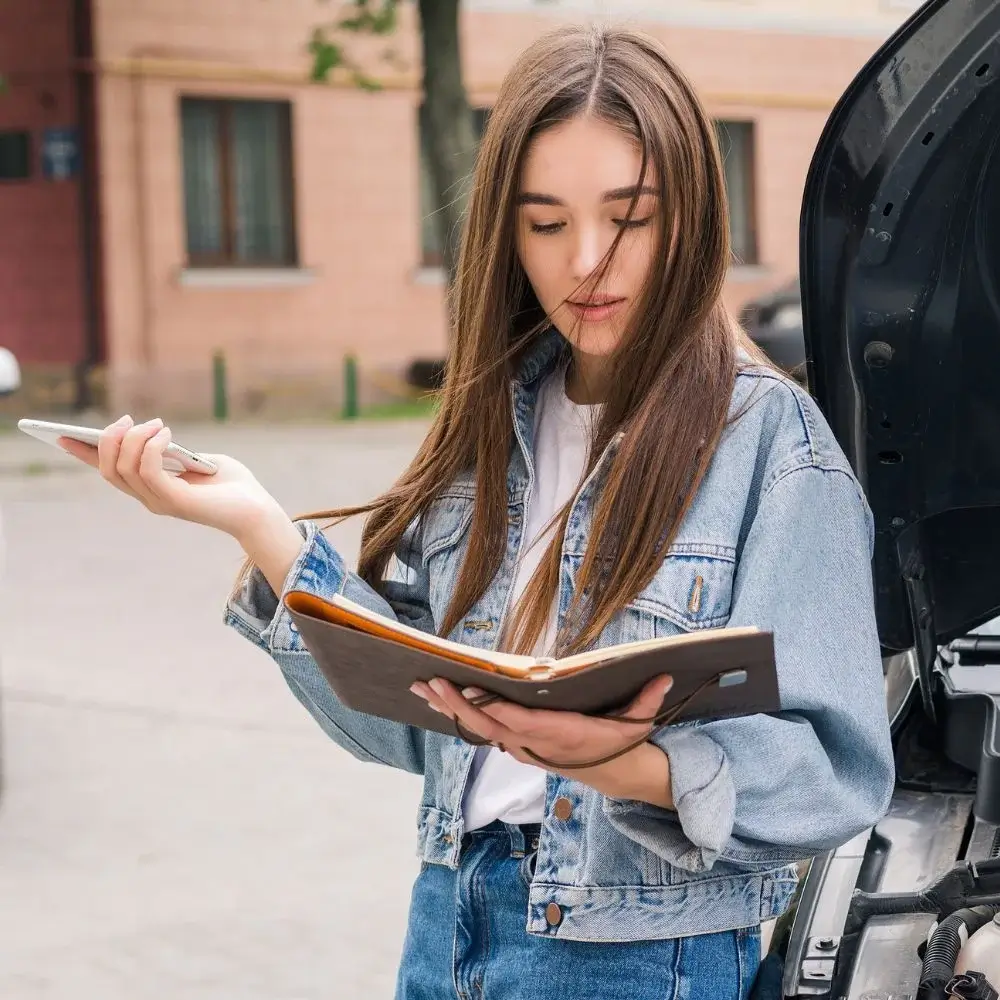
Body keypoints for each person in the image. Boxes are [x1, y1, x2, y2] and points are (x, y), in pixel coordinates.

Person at [60, 23, 895, 1000]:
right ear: (506, 232)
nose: (586, 259)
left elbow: (835, 774)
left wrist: (634, 766)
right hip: (449, 921)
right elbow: (418, 730)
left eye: (627, 216)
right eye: (545, 223)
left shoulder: (770, 447)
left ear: (688, 219)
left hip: (633, 955)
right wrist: (258, 527)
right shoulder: (492, 425)